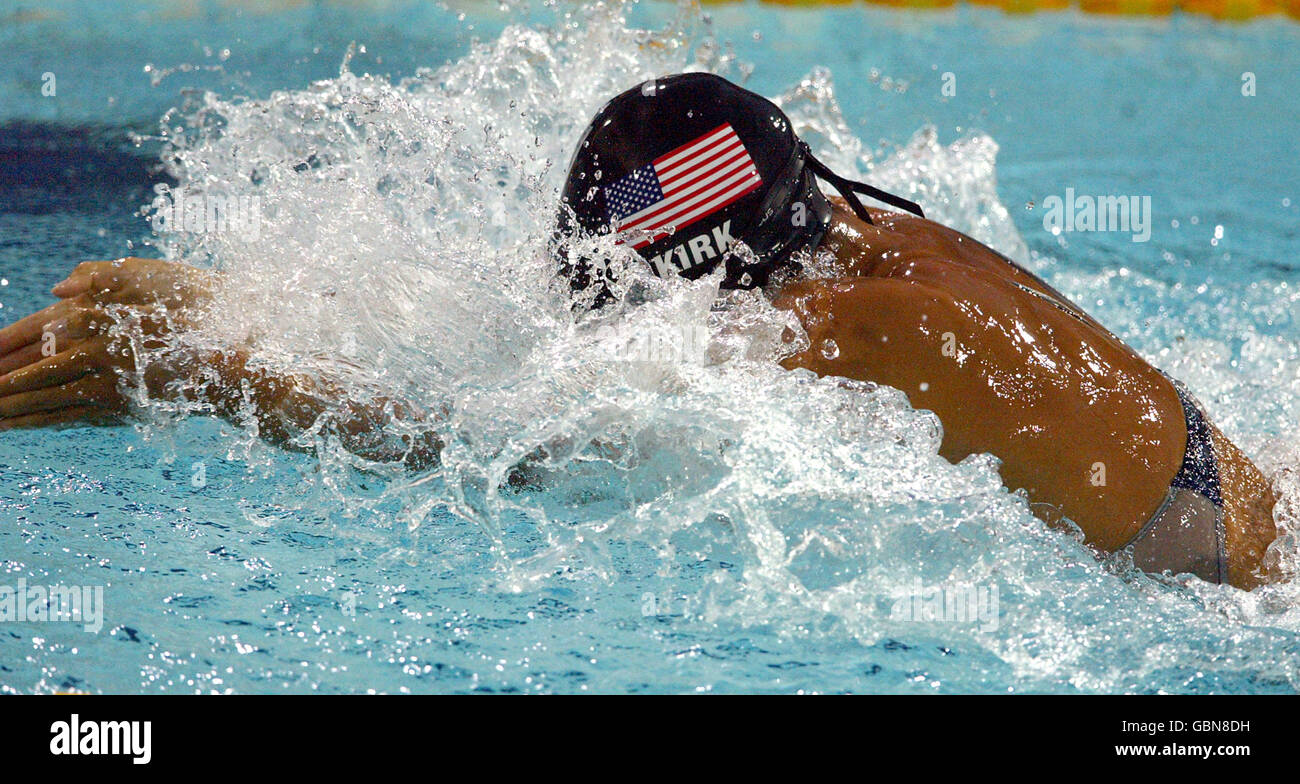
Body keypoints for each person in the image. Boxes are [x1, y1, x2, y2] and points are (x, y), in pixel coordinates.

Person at [0, 73, 1282, 588]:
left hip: (1221, 606)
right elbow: (522, 359)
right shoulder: (842, 233)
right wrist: (247, 303)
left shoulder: (852, 328)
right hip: (1224, 504)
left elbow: (522, 453)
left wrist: (211, 380)